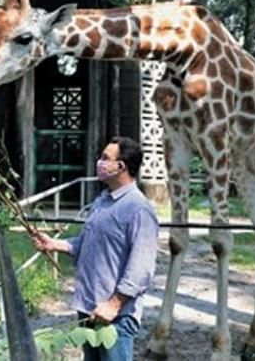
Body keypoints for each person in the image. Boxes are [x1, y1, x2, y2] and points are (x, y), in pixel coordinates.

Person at [32, 136, 160, 361]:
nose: (99, 162)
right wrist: (53, 244)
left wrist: (114, 304)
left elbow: (141, 268)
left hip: (114, 316)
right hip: (89, 306)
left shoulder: (139, 209)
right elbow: (87, 243)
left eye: (105, 158)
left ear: (120, 167)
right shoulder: (103, 200)